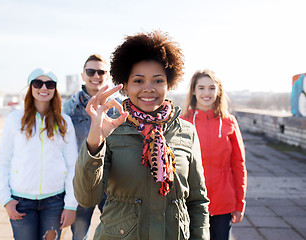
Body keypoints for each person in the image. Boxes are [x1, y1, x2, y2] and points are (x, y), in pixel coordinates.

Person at [73, 31, 210, 240]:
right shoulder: (111, 130)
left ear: (168, 84)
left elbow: (197, 201)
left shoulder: (186, 132)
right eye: (138, 81)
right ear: (125, 86)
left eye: (157, 81)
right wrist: (95, 142)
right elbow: (86, 197)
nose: (148, 89)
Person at [0, 68, 78, 240]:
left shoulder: (64, 122)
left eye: (50, 84)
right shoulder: (15, 120)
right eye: (38, 83)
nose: (44, 88)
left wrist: (71, 205)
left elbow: (72, 165)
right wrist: (5, 199)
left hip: (55, 200)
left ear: (55, 89)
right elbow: (3, 161)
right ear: (30, 87)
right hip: (21, 201)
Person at [180, 69, 247, 240]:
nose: (206, 93)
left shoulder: (229, 122)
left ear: (219, 91)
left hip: (223, 202)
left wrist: (240, 202)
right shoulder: (182, 122)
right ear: (194, 91)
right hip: (191, 202)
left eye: (211, 88)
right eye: (201, 88)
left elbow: (238, 164)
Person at [63, 54, 118, 240]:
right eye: (91, 71)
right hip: (82, 179)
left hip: (111, 182)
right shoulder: (69, 108)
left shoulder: (117, 106)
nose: (96, 75)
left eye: (101, 72)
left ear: (107, 76)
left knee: (116, 232)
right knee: (79, 234)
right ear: (83, 75)